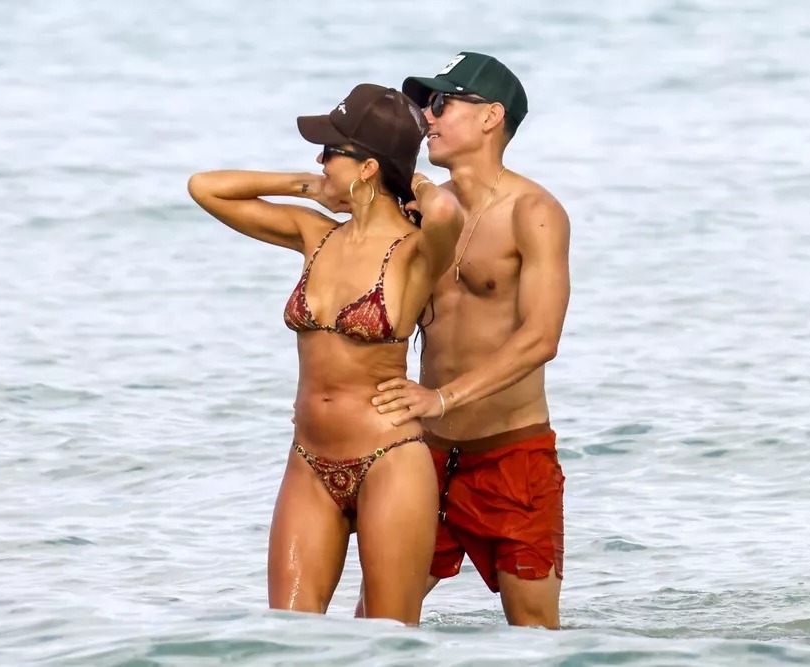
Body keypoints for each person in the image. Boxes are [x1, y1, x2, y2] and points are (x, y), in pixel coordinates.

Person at [187, 83, 464, 626]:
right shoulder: (314, 234)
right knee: (289, 638)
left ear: (367, 167)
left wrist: (411, 179)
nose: (319, 159)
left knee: (388, 641)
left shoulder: (414, 253)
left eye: (330, 151)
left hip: (389, 459)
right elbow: (205, 188)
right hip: (309, 462)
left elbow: (446, 211)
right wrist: (309, 186)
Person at [365, 52, 572, 628]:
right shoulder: (418, 210)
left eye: (441, 102)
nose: (426, 116)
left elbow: (541, 338)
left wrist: (442, 398)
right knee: (377, 625)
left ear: (490, 116)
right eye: (424, 105)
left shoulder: (535, 212)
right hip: (422, 454)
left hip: (511, 456)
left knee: (535, 637)